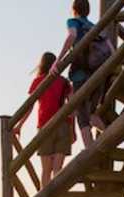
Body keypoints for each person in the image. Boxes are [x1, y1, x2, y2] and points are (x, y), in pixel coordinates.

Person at [52, 0, 108, 148]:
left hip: (81, 74)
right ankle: (111, 137)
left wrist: (58, 60)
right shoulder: (95, 27)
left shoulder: (73, 22)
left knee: (82, 115)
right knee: (92, 113)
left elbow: (72, 36)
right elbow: (111, 49)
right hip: (98, 74)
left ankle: (90, 152)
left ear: (74, 9)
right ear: (88, 10)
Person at [14, 52, 76, 186]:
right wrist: (73, 130)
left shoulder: (38, 81)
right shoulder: (65, 82)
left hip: (44, 125)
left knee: (46, 170)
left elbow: (29, 107)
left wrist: (19, 125)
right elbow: (72, 108)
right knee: (58, 170)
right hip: (63, 125)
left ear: (42, 64)